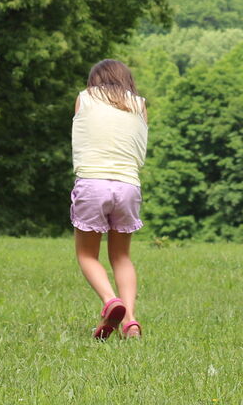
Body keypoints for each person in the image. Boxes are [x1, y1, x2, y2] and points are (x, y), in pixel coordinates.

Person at [70, 59, 149, 340]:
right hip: (128, 185)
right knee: (121, 256)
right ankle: (130, 321)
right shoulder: (139, 105)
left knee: (87, 254)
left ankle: (110, 300)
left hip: (93, 183)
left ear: (96, 80)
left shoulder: (85, 98)